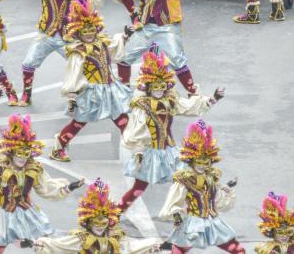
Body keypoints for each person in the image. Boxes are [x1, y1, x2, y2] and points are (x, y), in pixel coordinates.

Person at [119, 51, 223, 212]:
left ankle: (191, 215)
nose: (159, 90)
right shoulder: (142, 106)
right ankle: (116, 212)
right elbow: (137, 130)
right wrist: (139, 151)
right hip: (150, 152)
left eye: (162, 86)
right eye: (155, 87)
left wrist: (213, 98)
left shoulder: (170, 102)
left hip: (171, 152)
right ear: (148, 87)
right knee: (139, 188)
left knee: (188, 181)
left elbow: (190, 107)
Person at [0, 114, 84, 253]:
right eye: (19, 154)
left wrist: (68, 187)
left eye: (25, 154)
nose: (22, 158)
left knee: (43, 242)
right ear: (11, 152)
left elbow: (46, 188)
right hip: (1, 214)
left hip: (25, 212)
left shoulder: (32, 169)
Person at [48, 0, 132, 162]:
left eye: (91, 30)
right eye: (85, 32)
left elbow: (115, 49)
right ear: (79, 33)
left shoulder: (101, 43)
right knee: (79, 122)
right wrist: (71, 97)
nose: (89, 34)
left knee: (122, 118)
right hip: (90, 92)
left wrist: (125, 36)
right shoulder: (78, 52)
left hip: (109, 89)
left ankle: (133, 148)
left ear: (96, 29)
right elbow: (73, 75)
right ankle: (59, 147)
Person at [14, 0, 86, 107]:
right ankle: (26, 94)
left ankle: (74, 97)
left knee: (78, 64)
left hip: (68, 37)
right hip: (46, 34)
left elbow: (93, 0)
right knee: (28, 62)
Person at [158, 120, 245, 253]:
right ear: (192, 160)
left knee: (237, 249)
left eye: (206, 162)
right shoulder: (185, 179)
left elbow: (217, 201)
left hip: (213, 222)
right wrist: (176, 215)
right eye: (199, 161)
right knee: (179, 250)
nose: (202, 165)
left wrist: (226, 190)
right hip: (193, 223)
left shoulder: (212, 178)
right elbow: (173, 202)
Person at [34, 179, 161, 253]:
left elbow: (132, 247)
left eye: (103, 223)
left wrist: (154, 245)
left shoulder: (114, 238)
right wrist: (37, 243)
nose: (100, 227)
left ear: (109, 222)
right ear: (89, 222)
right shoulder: (82, 239)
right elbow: (59, 245)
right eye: (96, 223)